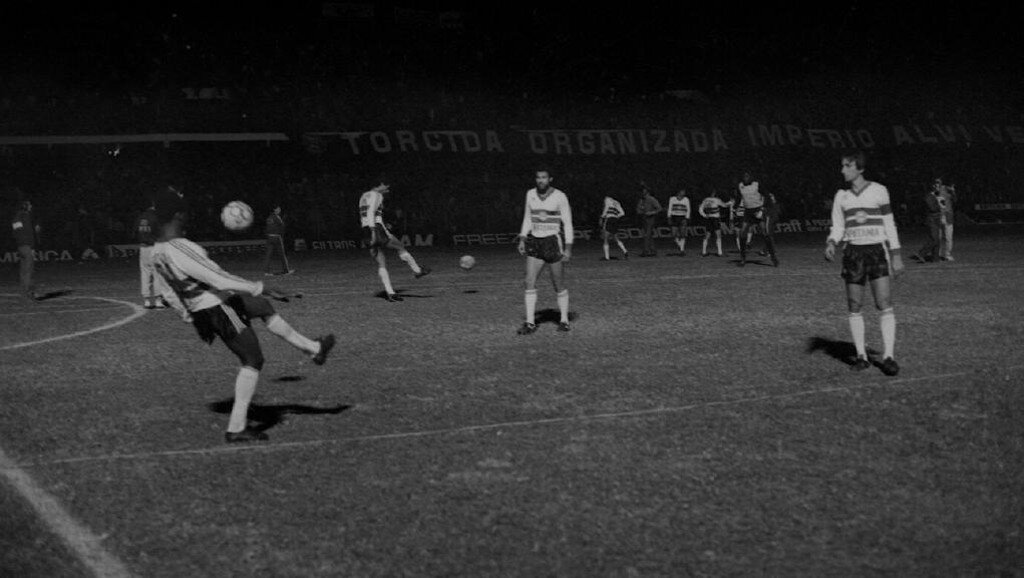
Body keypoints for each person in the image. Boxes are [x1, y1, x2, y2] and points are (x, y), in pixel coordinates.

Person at [149, 186, 336, 443]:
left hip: (206, 307)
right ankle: (237, 428)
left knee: (261, 307)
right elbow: (219, 278)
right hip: (217, 306)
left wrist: (188, 314)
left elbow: (167, 292)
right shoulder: (181, 247)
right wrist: (262, 287)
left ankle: (314, 349)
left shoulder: (156, 251)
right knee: (253, 359)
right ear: (179, 215)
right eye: (185, 211)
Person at [824, 151, 904, 376]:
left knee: (884, 302)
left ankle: (888, 356)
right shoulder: (842, 196)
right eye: (842, 166)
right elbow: (838, 225)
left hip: (877, 251)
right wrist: (831, 242)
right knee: (854, 305)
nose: (842, 170)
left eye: (846, 166)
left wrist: (896, 254)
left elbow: (890, 225)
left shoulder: (879, 191)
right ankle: (861, 356)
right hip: (853, 253)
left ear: (859, 168)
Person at [516, 169, 573, 334]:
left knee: (558, 284)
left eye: (544, 177)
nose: (540, 180)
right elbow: (528, 217)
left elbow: (567, 223)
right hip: (535, 242)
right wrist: (522, 238)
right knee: (528, 281)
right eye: (538, 177)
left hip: (552, 242)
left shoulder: (560, 196)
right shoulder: (530, 194)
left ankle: (563, 320)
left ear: (550, 179)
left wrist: (568, 249)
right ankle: (530, 323)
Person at [359, 181, 431, 302]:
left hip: (365, 229)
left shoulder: (363, 196)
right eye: (385, 186)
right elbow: (371, 211)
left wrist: (369, 231)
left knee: (381, 262)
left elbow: (365, 215)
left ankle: (391, 293)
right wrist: (374, 230)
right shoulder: (377, 195)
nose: (387, 189)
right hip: (376, 229)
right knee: (400, 246)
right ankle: (417, 270)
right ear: (378, 185)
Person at [735, 171, 778, 266]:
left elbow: (767, 196)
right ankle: (743, 259)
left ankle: (773, 256)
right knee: (742, 234)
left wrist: (762, 209)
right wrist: (735, 207)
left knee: (765, 234)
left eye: (747, 176)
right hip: (747, 212)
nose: (745, 178)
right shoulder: (740, 186)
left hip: (757, 211)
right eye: (744, 176)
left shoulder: (756, 185)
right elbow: (738, 197)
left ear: (751, 177)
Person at [135, 200, 165, 309]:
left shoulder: (139, 217)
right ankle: (158, 300)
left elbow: (134, 232)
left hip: (143, 248)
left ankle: (146, 300)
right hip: (154, 246)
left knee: (145, 272)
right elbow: (160, 233)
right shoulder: (156, 217)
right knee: (157, 273)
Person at [10, 199, 39, 301]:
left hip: (20, 246)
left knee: (23, 271)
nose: (31, 207)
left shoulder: (16, 217)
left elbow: (17, 233)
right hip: (27, 246)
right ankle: (29, 294)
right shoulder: (25, 216)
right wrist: (32, 247)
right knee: (29, 270)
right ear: (25, 206)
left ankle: (24, 293)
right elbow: (28, 232)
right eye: (29, 205)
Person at [914, 177, 945, 263]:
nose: (938, 188)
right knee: (934, 239)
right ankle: (921, 253)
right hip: (932, 220)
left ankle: (935, 258)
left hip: (935, 219)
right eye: (937, 186)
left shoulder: (933, 196)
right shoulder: (929, 196)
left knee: (937, 239)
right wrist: (939, 206)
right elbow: (933, 208)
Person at [263, 204, 294, 276]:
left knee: (268, 255)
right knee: (282, 255)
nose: (280, 210)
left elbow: (267, 228)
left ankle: (266, 272)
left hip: (269, 237)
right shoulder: (277, 217)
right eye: (278, 209)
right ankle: (286, 270)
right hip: (276, 237)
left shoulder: (269, 218)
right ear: (275, 209)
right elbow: (282, 227)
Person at [698, 190, 731, 257]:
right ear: (713, 193)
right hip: (715, 218)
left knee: (707, 234)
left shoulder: (705, 200)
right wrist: (730, 203)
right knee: (718, 234)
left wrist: (704, 215)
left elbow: (700, 209)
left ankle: (704, 252)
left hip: (708, 218)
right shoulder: (716, 200)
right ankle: (719, 252)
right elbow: (724, 205)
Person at [598, 195, 629, 261]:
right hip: (615, 220)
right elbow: (622, 213)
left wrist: (602, 217)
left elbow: (606, 208)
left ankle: (607, 257)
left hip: (609, 219)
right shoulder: (617, 202)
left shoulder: (607, 199)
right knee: (616, 237)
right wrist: (616, 216)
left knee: (605, 238)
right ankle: (625, 251)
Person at [635, 184, 662, 256]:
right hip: (644, 218)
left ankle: (646, 251)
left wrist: (651, 212)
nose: (642, 192)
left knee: (647, 235)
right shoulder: (641, 200)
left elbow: (659, 208)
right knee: (648, 235)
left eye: (644, 191)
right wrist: (640, 210)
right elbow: (638, 209)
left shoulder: (652, 199)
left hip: (650, 219)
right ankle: (653, 250)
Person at [665, 187, 691, 256]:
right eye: (683, 191)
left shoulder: (686, 199)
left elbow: (688, 209)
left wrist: (687, 218)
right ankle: (680, 245)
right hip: (674, 217)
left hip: (682, 217)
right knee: (673, 234)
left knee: (682, 234)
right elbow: (670, 208)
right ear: (679, 192)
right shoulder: (672, 199)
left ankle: (682, 250)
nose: (684, 193)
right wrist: (669, 217)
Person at [939, 181, 957, 261]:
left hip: (948, 216)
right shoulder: (935, 192)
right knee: (938, 237)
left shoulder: (947, 191)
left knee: (948, 237)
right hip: (938, 216)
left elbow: (955, 200)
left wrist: (953, 191)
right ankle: (937, 254)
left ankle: (947, 254)